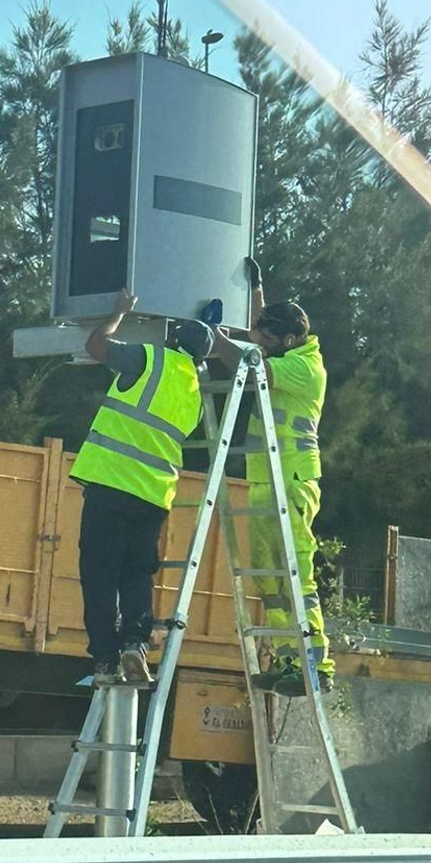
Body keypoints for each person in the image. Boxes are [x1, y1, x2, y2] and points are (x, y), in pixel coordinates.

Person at [72, 286, 211, 685]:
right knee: (136, 574)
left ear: (171, 339)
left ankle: (104, 657)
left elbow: (97, 345)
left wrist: (118, 313)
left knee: (99, 574)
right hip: (153, 496)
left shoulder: (147, 358)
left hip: (111, 484)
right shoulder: (195, 396)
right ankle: (136, 642)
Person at [231, 288, 330, 697]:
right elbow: (257, 342)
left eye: (270, 340)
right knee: (270, 579)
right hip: (267, 480)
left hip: (290, 480)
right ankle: (291, 660)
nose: (262, 345)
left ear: (289, 341)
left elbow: (250, 361)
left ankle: (316, 666)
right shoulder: (286, 351)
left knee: (296, 576)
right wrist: (255, 295)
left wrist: (211, 338)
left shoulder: (304, 368)